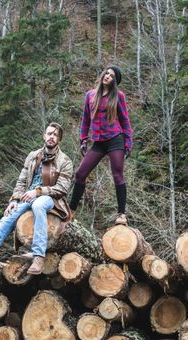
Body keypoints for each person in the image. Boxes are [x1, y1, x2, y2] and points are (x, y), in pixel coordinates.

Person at [0, 123, 73, 280]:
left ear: (59, 139)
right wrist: (14, 199)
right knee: (3, 224)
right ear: (44, 136)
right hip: (26, 197)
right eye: (49, 133)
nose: (52, 137)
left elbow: (62, 189)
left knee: (38, 204)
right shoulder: (33, 156)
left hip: (50, 199)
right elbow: (21, 181)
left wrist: (37, 192)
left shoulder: (65, 161)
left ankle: (38, 257)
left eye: (55, 135)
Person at [69, 65, 132, 225]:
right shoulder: (90, 95)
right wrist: (83, 139)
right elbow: (85, 119)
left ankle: (122, 215)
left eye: (111, 76)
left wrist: (128, 141)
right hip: (98, 142)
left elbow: (125, 120)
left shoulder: (119, 96)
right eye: (106, 73)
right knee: (80, 174)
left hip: (115, 138)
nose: (107, 76)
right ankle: (71, 212)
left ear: (114, 81)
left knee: (117, 174)